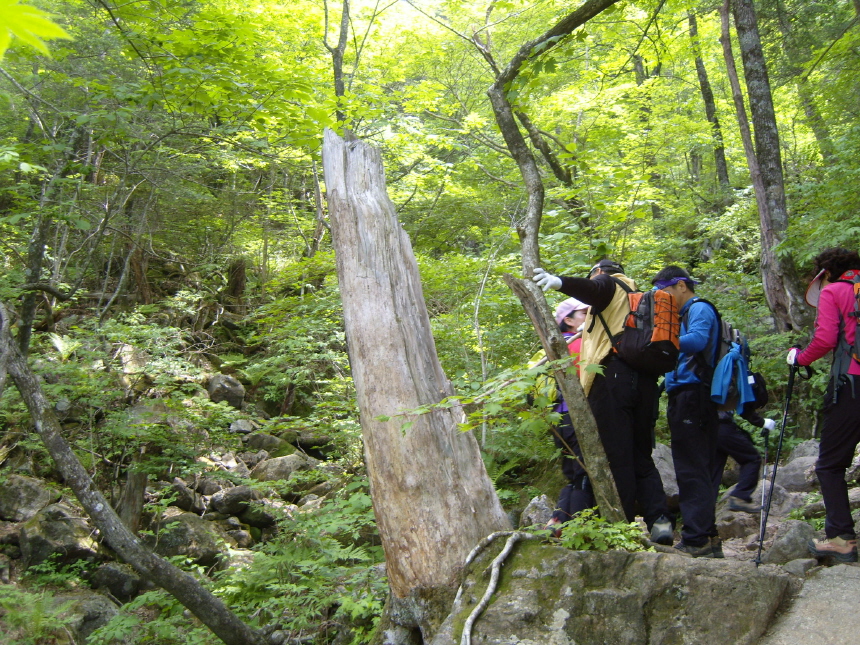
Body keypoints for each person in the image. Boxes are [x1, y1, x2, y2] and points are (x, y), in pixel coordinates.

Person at [533, 260, 674, 545]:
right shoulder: (637, 298)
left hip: (611, 380)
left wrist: (559, 281)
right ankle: (660, 523)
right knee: (641, 457)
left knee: (616, 457)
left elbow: (597, 288)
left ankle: (618, 529)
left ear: (598, 272)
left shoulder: (611, 284)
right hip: (645, 382)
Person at [788, 247, 860, 563]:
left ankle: (842, 539)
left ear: (826, 272)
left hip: (852, 385)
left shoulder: (834, 292)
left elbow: (826, 339)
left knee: (830, 464)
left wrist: (798, 358)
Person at [652, 265, 722, 557]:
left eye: (665, 292)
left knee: (691, 468)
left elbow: (698, 341)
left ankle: (696, 540)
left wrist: (663, 334)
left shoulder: (699, 309)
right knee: (699, 467)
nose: (662, 299)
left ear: (681, 285)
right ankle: (707, 536)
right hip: (690, 396)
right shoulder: (685, 313)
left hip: (694, 395)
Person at [545, 298, 596, 535]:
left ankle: (557, 521)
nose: (589, 315)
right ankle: (579, 529)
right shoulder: (576, 345)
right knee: (584, 474)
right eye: (584, 312)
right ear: (569, 320)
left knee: (574, 474)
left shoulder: (553, 347)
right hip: (574, 417)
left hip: (558, 418)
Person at [713, 407, 775, 513]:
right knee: (752, 459)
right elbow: (743, 405)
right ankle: (739, 497)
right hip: (722, 425)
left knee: (712, 474)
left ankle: (703, 521)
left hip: (703, 429)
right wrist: (761, 422)